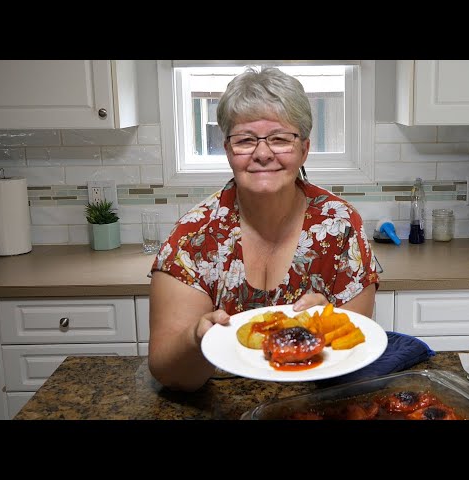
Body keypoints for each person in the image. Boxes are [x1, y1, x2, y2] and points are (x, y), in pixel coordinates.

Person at [148, 66, 379, 391]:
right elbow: (172, 374)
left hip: (313, 402)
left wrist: (327, 329)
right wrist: (195, 336)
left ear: (304, 149)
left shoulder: (340, 225)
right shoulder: (193, 236)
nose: (262, 153)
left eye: (280, 139)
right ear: (228, 150)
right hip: (221, 399)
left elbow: (355, 357)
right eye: (245, 140)